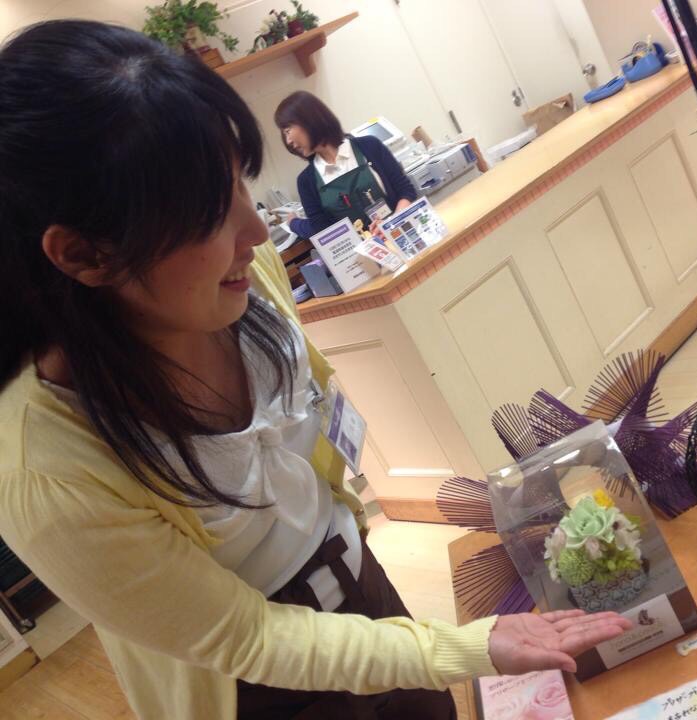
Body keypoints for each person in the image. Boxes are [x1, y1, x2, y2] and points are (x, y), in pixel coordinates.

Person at [0, 21, 632, 720]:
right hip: (256, 686)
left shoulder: (247, 282)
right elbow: (246, 638)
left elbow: (316, 440)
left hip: (363, 591)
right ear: (83, 255)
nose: (256, 232)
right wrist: (460, 647)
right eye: (208, 213)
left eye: (239, 184)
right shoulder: (43, 471)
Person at [274, 91, 417, 239]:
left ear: (307, 121)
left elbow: (405, 190)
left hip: (402, 236)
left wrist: (391, 225)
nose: (288, 141)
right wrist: (294, 224)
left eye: (288, 131)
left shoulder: (370, 146)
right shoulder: (306, 181)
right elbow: (322, 230)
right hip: (360, 251)